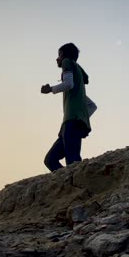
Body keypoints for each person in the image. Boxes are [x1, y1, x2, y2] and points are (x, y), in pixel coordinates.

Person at [41, 43, 97, 172]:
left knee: (72, 160)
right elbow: (92, 106)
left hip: (71, 122)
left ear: (65, 55)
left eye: (59, 55)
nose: (57, 59)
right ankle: (68, 185)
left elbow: (68, 84)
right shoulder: (80, 85)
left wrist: (50, 89)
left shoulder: (67, 62)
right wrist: (82, 117)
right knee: (50, 159)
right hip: (70, 123)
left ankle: (78, 187)